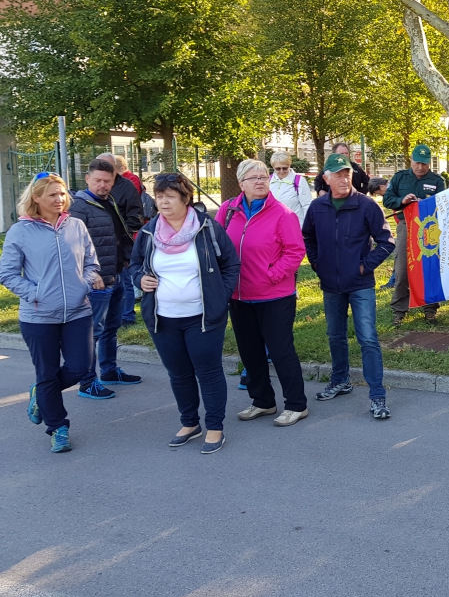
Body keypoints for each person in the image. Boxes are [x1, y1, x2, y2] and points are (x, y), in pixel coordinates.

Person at [130, 173, 240, 454]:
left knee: (208, 371)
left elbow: (231, 264)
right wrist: (140, 279)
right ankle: (190, 423)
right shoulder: (149, 231)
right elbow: (135, 264)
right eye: (159, 196)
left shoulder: (207, 228)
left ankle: (215, 427)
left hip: (202, 316)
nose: (163, 201)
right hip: (163, 317)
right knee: (178, 373)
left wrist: (221, 294)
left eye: (170, 196)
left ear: (185, 198)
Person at [0, 173, 102, 453]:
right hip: (38, 316)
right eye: (52, 194)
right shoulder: (20, 231)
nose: (59, 199)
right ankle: (58, 428)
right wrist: (36, 294)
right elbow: (7, 274)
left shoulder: (76, 225)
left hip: (78, 312)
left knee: (80, 367)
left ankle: (41, 393)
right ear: (36, 198)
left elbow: (92, 263)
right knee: (46, 373)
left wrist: (83, 284)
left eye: (62, 193)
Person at [303, 152, 395, 418]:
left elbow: (386, 242)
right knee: (335, 335)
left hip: (360, 283)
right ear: (326, 179)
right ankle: (340, 380)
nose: (344, 179)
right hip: (331, 284)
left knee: (368, 338)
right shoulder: (317, 208)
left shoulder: (366, 205)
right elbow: (308, 237)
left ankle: (377, 396)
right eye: (338, 175)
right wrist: (317, 263)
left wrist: (364, 266)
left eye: (347, 174)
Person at [217, 160, 308, 426]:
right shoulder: (228, 210)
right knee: (250, 351)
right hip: (238, 295)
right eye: (253, 178)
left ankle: (296, 405)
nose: (260, 181)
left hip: (274, 296)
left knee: (281, 351)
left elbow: (295, 251)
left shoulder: (283, 213)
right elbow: (216, 243)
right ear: (241, 183)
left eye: (263, 177)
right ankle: (263, 401)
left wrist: (271, 276)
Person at [69, 157, 142, 400]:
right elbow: (73, 247)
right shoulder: (79, 206)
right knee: (92, 332)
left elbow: (118, 235)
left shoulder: (109, 201)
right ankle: (87, 382)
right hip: (96, 281)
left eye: (107, 181)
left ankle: (109, 370)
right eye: (98, 180)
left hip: (116, 274)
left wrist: (127, 258)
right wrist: (91, 274)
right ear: (87, 179)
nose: (103, 185)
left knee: (112, 327)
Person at [382, 143, 447, 325]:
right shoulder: (400, 178)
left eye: (424, 164)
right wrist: (401, 201)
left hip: (428, 227)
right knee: (402, 269)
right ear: (410, 160)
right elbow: (387, 199)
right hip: (406, 225)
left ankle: (430, 309)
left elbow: (443, 204)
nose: (420, 167)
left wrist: (429, 203)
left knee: (428, 267)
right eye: (417, 163)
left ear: (429, 163)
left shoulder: (437, 181)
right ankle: (399, 310)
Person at [96, 152, 143, 327]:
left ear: (115, 168)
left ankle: (127, 315)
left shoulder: (126, 186)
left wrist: (124, 233)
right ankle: (107, 315)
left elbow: (136, 215)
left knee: (125, 280)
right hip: (100, 243)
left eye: (107, 167)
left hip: (121, 242)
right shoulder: (96, 187)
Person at [268, 151, 313, 222]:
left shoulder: (299, 180)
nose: (281, 171)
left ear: (289, 165)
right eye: (278, 169)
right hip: (273, 224)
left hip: (294, 224)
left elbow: (307, 205)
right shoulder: (268, 181)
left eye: (285, 168)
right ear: (273, 167)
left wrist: (307, 225)